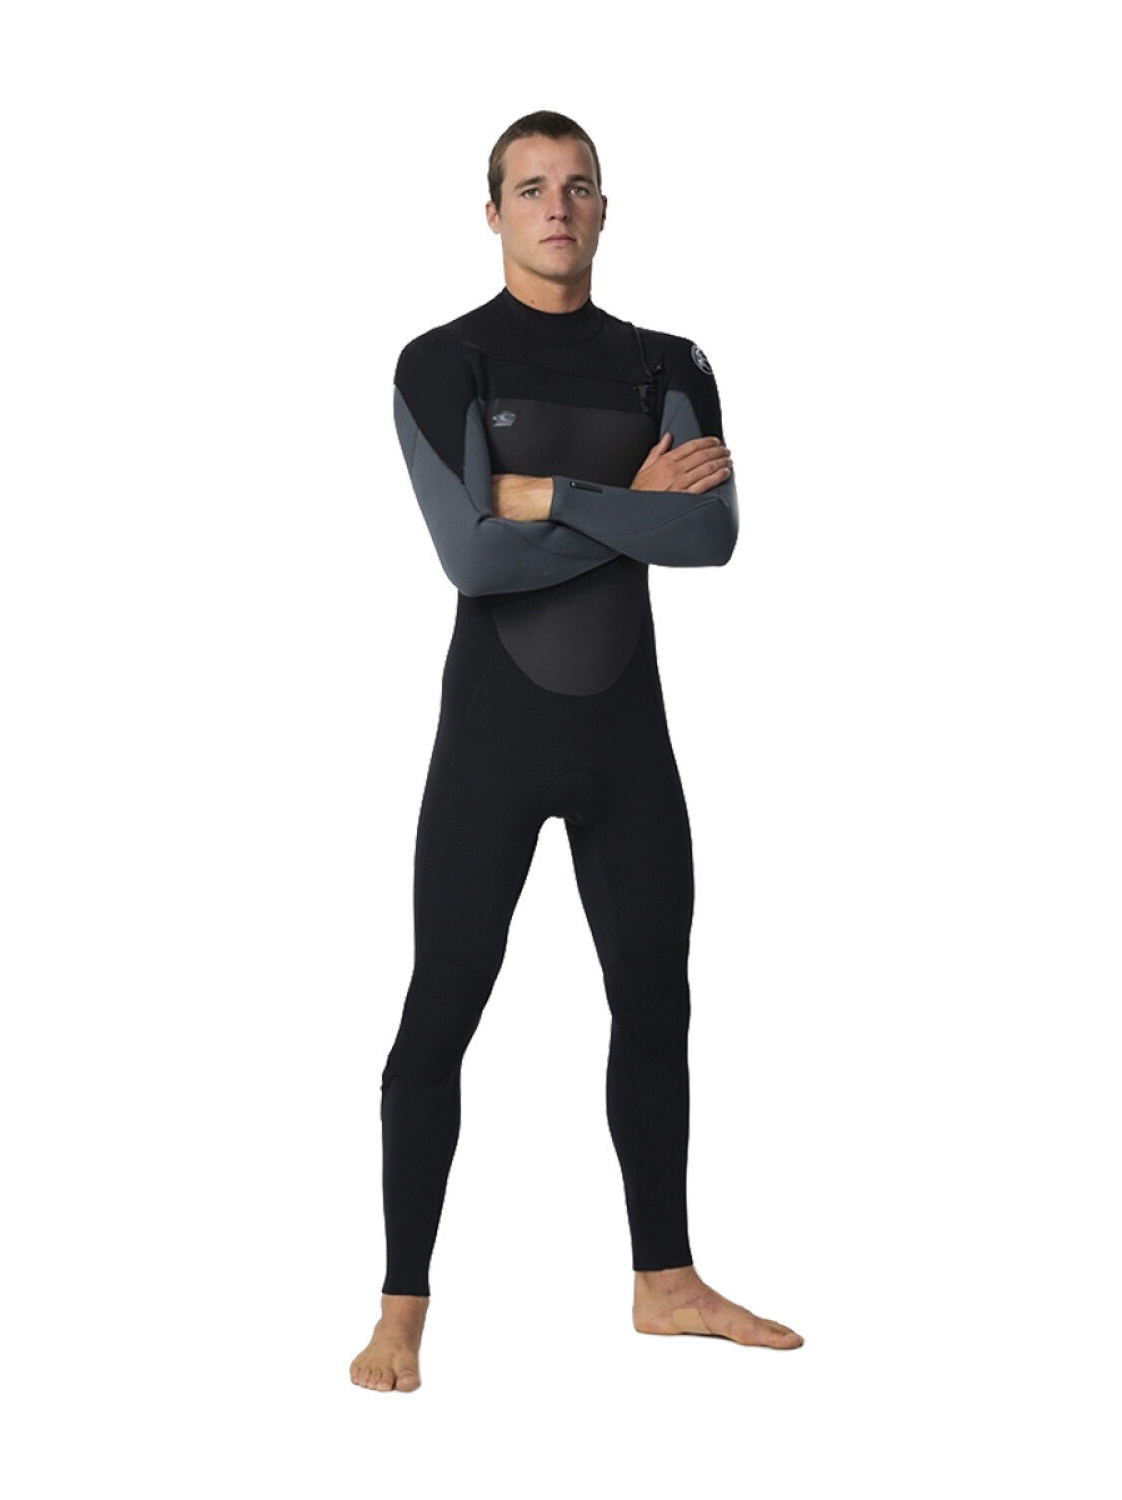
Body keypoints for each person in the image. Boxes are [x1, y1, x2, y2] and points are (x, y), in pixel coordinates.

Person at [350, 111, 803, 1393]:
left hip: (626, 743)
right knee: (441, 1011)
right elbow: (472, 557)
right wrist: (626, 506)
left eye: (580, 185)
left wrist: (543, 495)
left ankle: (666, 1283)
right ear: (492, 212)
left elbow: (709, 537)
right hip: (492, 743)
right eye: (532, 186)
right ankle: (399, 1310)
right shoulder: (443, 361)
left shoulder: (668, 361)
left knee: (657, 1001)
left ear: (605, 208)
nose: (558, 205)